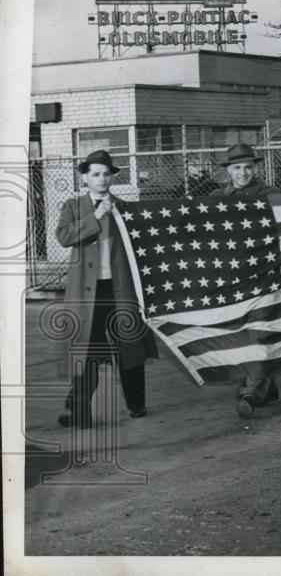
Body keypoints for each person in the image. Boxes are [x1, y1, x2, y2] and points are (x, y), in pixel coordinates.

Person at [56, 149, 159, 429]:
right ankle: (80, 410)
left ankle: (137, 403)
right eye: (96, 174)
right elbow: (64, 237)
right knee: (86, 351)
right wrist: (95, 216)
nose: (102, 179)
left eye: (107, 174)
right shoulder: (73, 206)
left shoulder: (123, 208)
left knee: (129, 348)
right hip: (87, 294)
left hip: (119, 289)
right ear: (85, 178)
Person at [211, 143, 281, 418]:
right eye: (237, 167)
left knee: (260, 330)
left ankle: (250, 391)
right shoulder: (217, 198)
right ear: (228, 170)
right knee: (242, 333)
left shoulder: (272, 195)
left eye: (248, 167)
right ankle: (267, 384)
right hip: (233, 277)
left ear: (256, 168)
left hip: (265, 274)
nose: (243, 172)